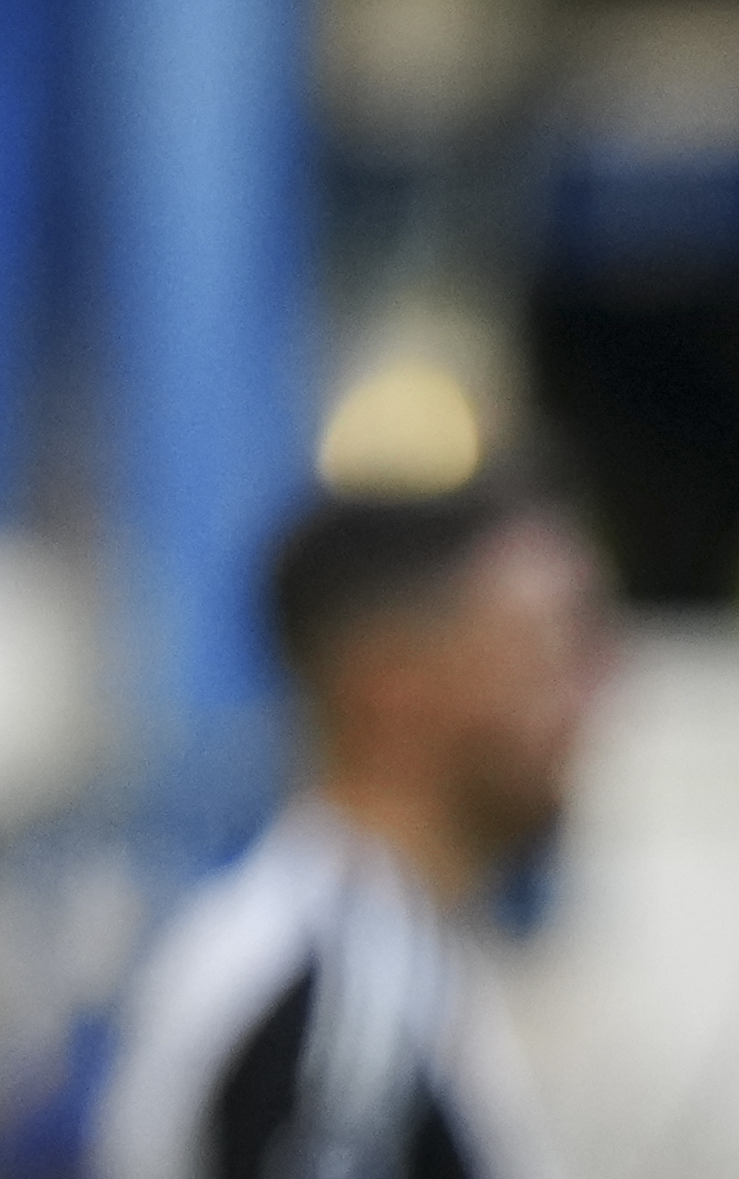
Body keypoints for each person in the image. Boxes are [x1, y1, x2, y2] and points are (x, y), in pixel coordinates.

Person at [90, 480, 614, 1179]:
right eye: (543, 653)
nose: (587, 703)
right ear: (393, 684)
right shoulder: (346, 998)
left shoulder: (379, 958)